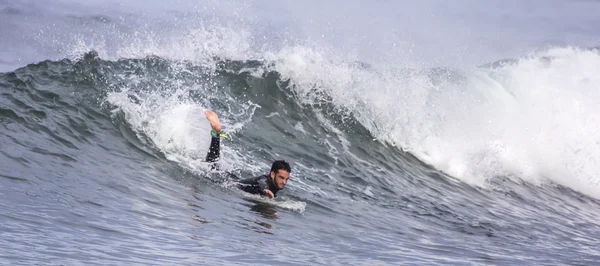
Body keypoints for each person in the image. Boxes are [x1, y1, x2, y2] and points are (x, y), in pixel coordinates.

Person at [203, 110, 291, 198]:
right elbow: (261, 183)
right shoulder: (264, 181)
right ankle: (216, 132)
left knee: (214, 164)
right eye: (281, 178)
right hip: (225, 182)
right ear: (272, 174)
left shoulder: (273, 185)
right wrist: (265, 190)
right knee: (210, 167)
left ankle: (216, 133)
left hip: (233, 179)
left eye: (286, 179)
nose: (284, 182)